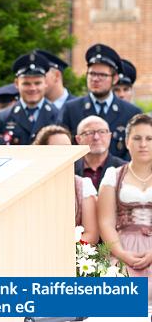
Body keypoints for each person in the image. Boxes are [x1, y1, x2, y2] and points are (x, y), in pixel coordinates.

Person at [98, 114, 152, 300]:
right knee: (123, 299)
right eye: (137, 138)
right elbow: (105, 222)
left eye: (149, 138)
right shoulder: (113, 175)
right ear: (127, 142)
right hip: (123, 246)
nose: (143, 144)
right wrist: (121, 253)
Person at [58, 43, 141, 160]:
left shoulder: (131, 113)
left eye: (102, 75)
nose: (96, 79)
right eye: (92, 74)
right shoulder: (71, 109)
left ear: (115, 78)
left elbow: (136, 152)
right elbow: (61, 148)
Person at [33, 125, 99, 244]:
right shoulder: (30, 187)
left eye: (68, 149)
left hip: (73, 254)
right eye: (58, 149)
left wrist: (62, 249)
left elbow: (91, 234)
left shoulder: (83, 185)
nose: (65, 154)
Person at [0, 52, 59, 145]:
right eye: (26, 84)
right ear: (16, 84)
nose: (32, 88)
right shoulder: (2, 117)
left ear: (45, 83)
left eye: (37, 83)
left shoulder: (59, 114)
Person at [74, 115, 126, 189]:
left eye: (102, 132)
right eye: (89, 132)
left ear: (109, 136)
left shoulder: (123, 169)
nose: (96, 137)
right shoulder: (70, 170)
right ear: (78, 139)